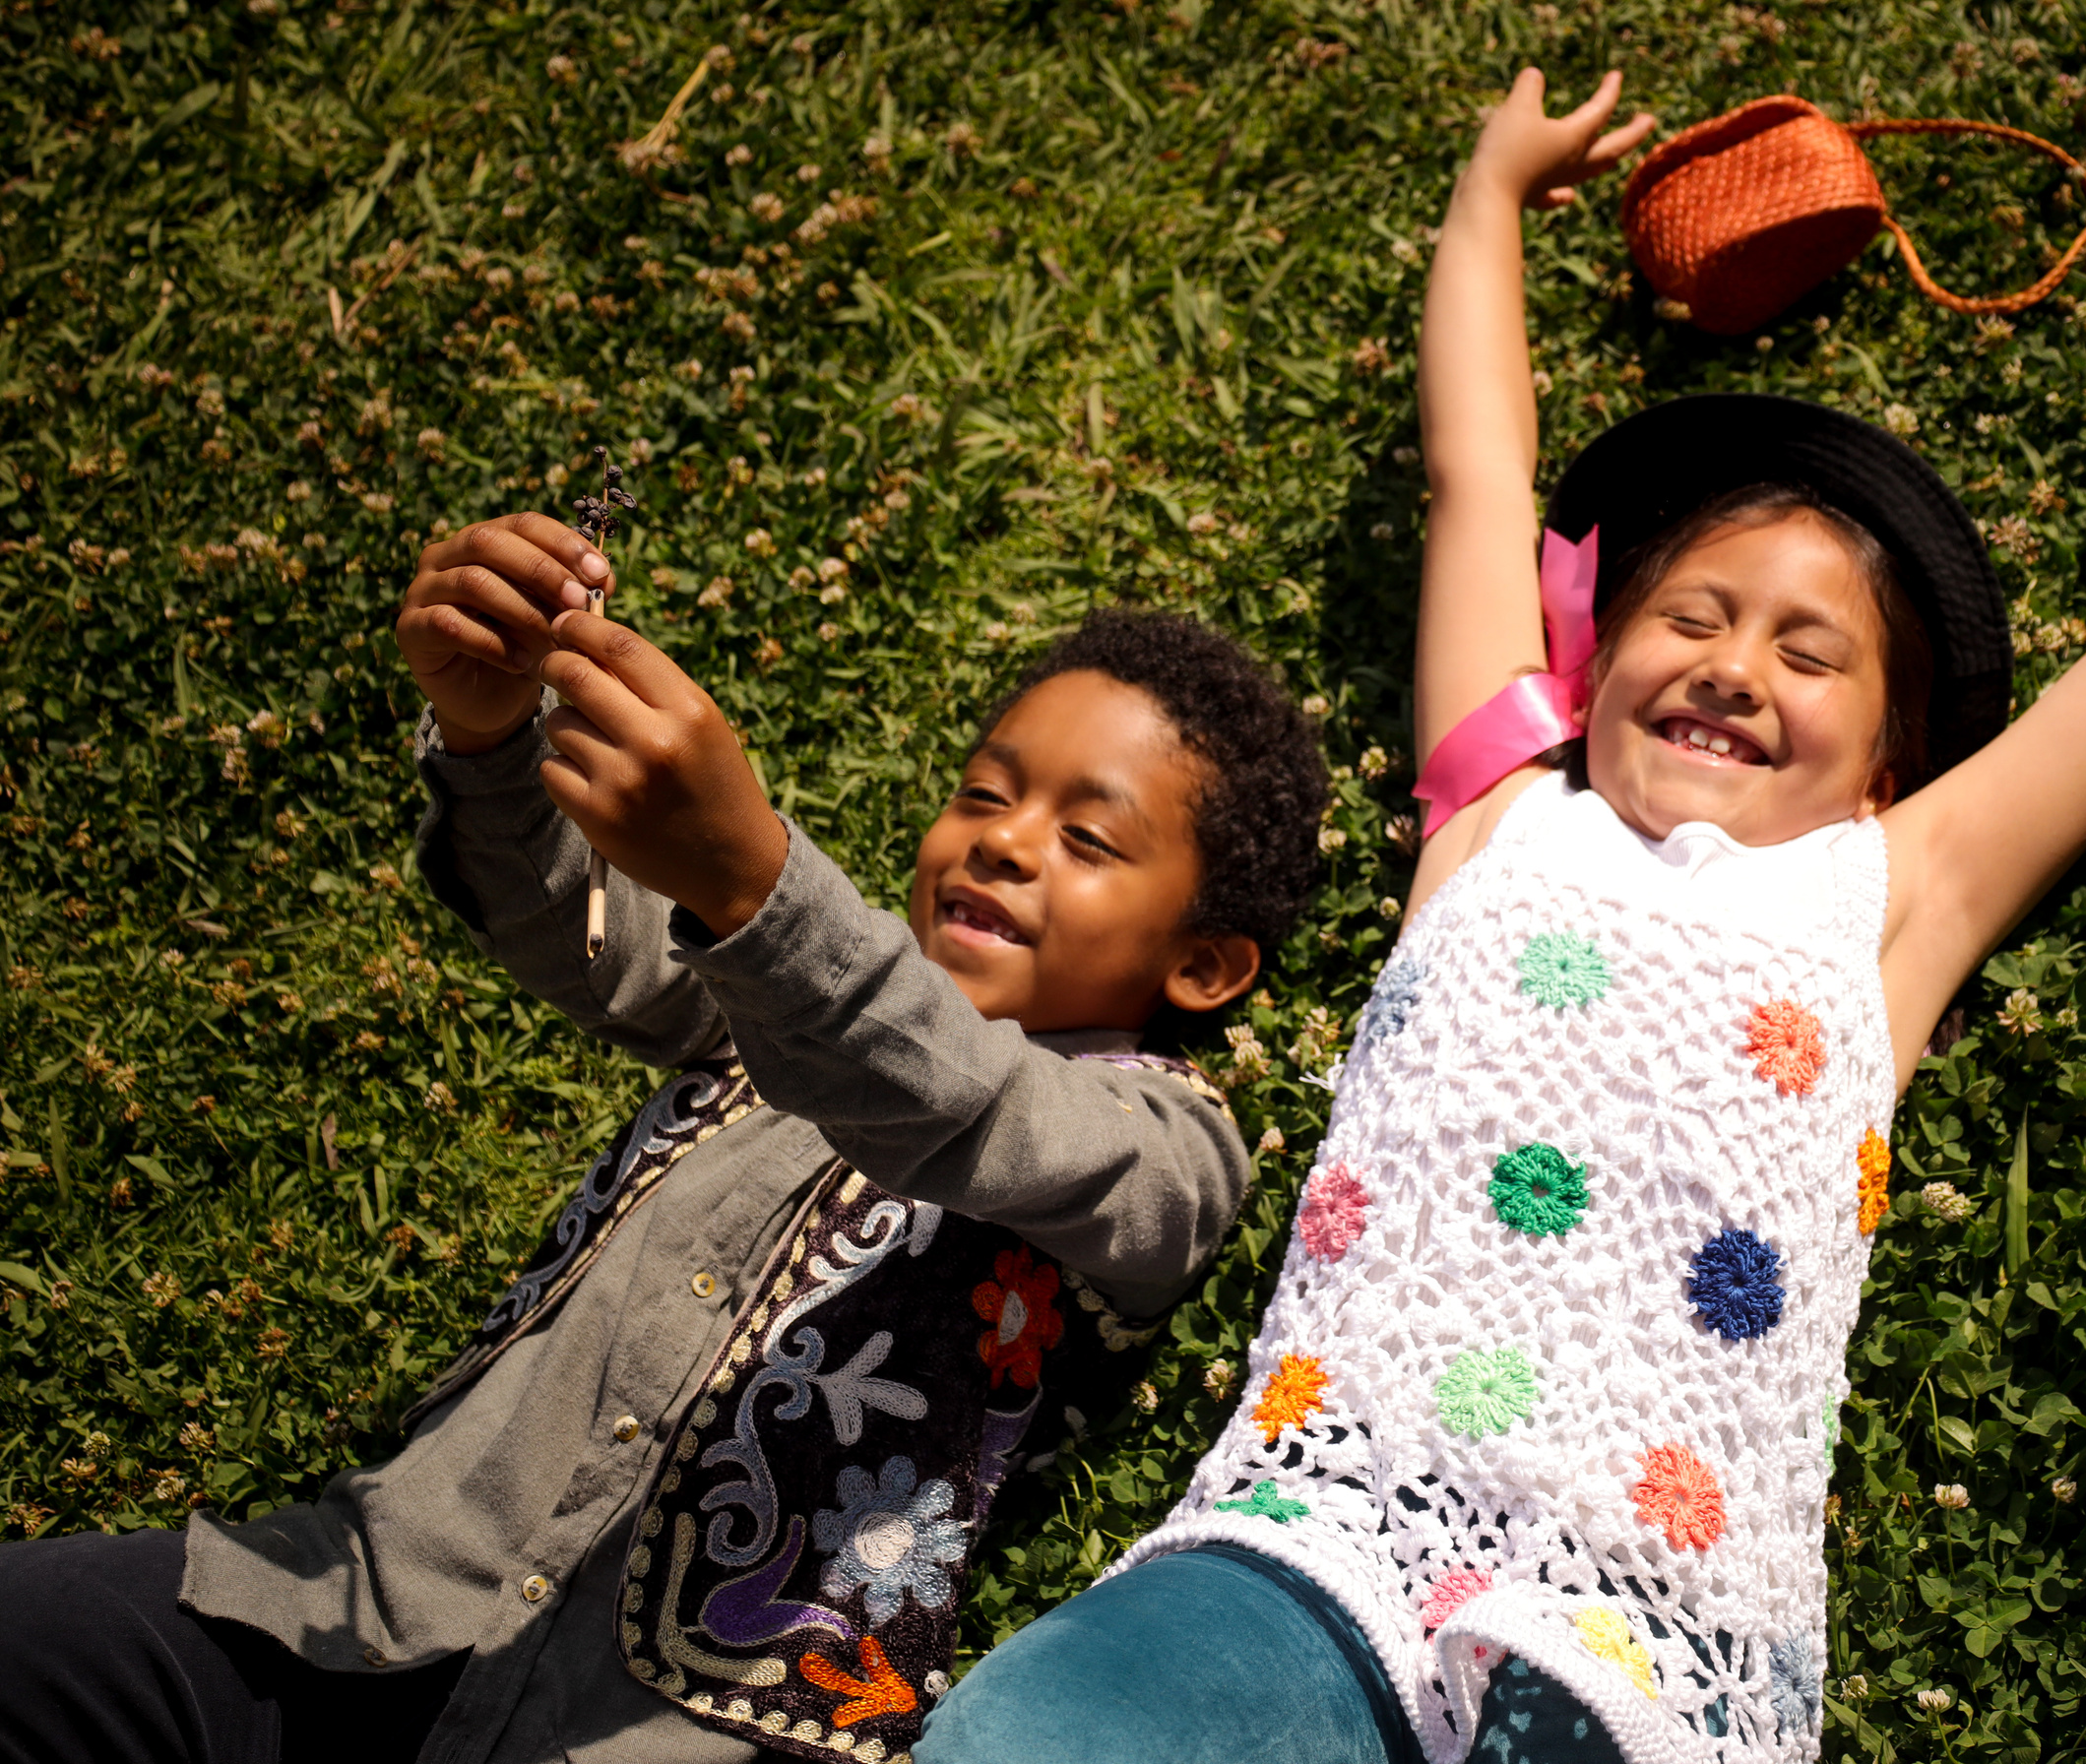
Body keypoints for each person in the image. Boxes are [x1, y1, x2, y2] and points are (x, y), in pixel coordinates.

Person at [908, 66, 2086, 1764]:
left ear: (1890, 763)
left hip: (1654, 1623)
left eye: (1810, 656)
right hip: (1326, 1539)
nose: (1736, 667)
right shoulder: (1500, 812)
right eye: (1692, 618)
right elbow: (1476, 475)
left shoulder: (1899, 895)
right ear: (1590, 671)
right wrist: (1489, 197)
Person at [0, 520, 1330, 1764]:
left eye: (1087, 837)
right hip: (367, 1600)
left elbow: (979, 1113)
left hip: (669, 1732)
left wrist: (759, 881)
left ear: (1205, 967)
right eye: (984, 795)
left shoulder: (1168, 1147)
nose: (1005, 845)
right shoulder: (756, 1001)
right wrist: (492, 738)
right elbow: (576, 925)